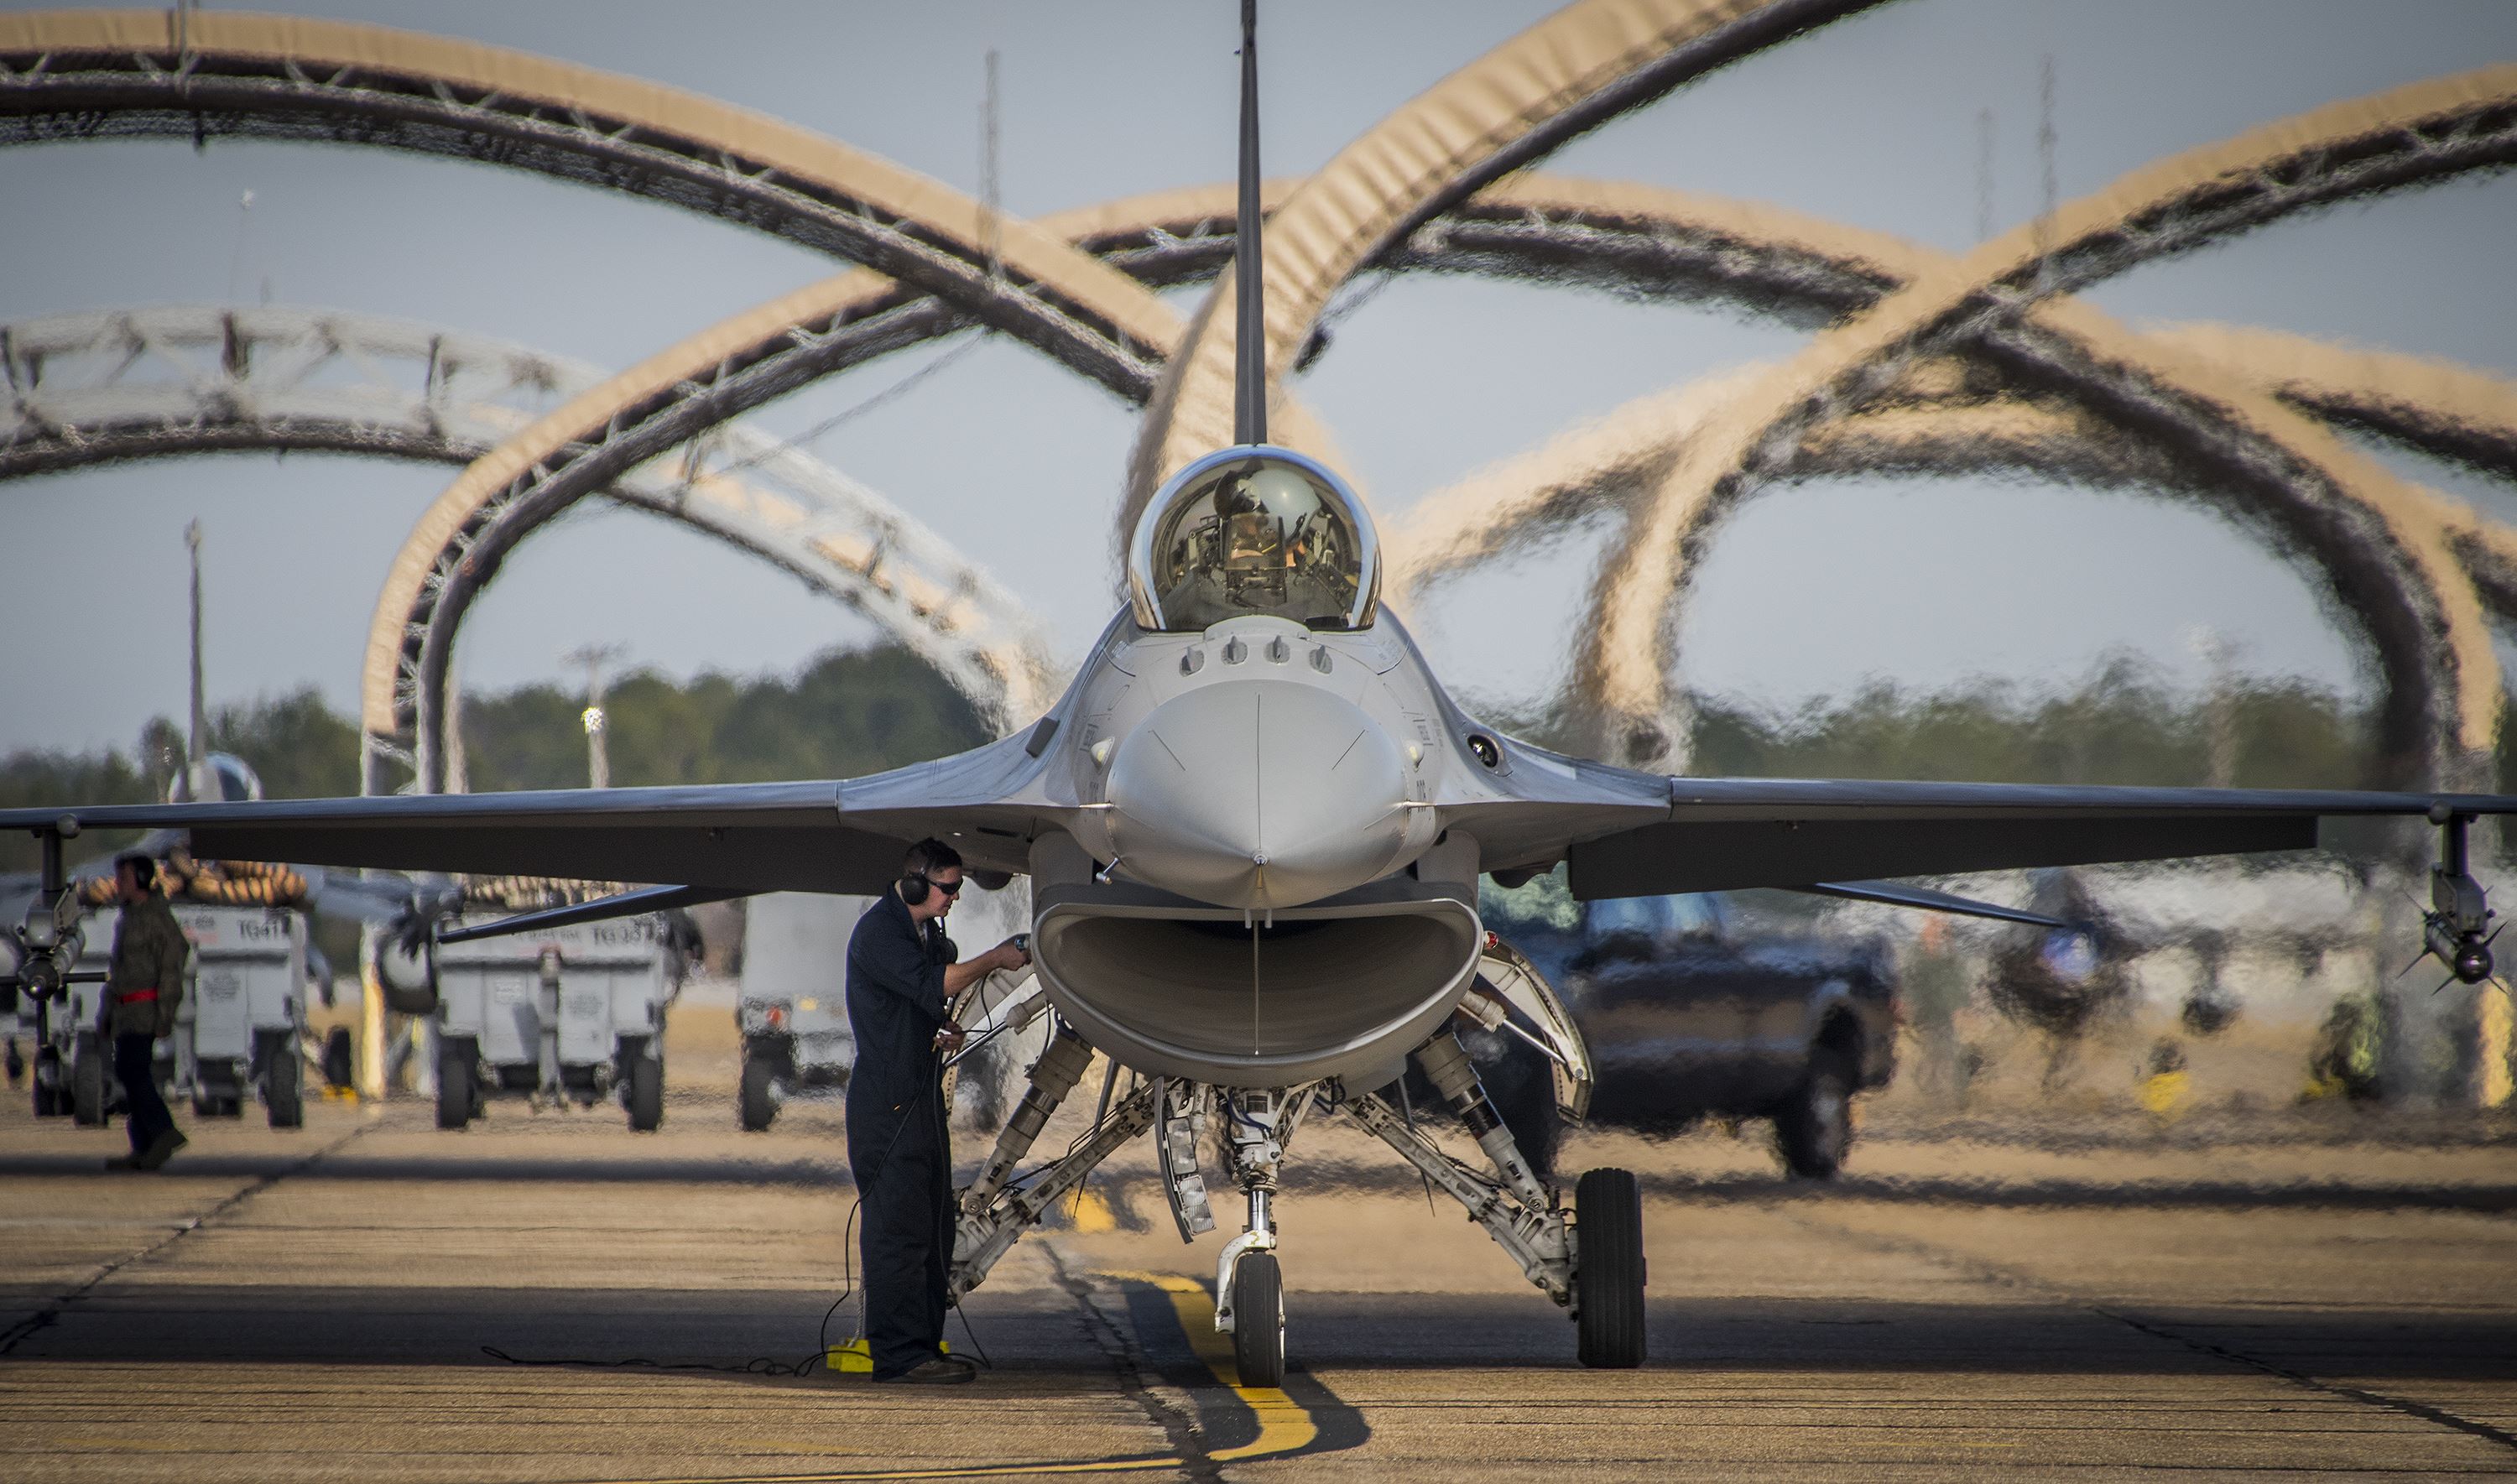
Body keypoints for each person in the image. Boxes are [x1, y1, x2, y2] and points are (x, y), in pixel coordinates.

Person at [844, 838, 1029, 1384]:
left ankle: (923, 1344)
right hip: (887, 1102)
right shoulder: (881, 933)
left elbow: (917, 1001)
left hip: (918, 1095)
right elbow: (933, 984)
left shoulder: (927, 934)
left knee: (933, 1227)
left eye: (959, 888)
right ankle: (898, 1354)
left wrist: (938, 1030)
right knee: (898, 1229)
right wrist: (996, 957)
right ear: (916, 885)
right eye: (948, 888)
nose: (954, 898)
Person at [100, 853, 190, 1172]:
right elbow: (119, 971)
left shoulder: (155, 917)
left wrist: (165, 1012)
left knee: (135, 1073)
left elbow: (172, 963)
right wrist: (106, 1013)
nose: (117, 884)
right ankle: (144, 1146)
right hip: (125, 1011)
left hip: (144, 1010)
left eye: (123, 878)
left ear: (139, 878)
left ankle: (164, 1131)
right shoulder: (129, 916)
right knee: (128, 1073)